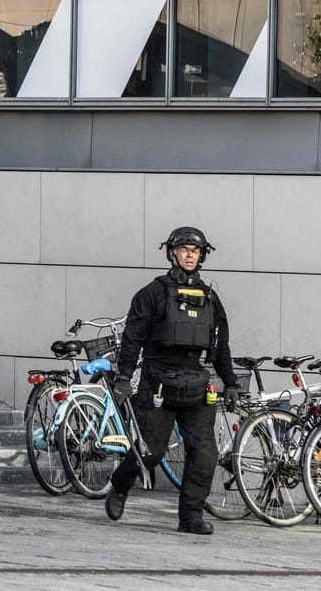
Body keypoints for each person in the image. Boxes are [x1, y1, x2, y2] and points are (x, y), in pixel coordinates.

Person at [104, 226, 241, 535]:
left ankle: (190, 517)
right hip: (158, 384)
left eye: (195, 250)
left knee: (204, 454)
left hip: (195, 384)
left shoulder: (210, 297)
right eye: (184, 249)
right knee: (150, 453)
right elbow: (132, 340)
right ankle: (120, 485)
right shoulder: (152, 293)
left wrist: (230, 382)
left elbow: (221, 345)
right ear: (173, 253)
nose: (190, 254)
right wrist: (124, 377)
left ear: (202, 255)